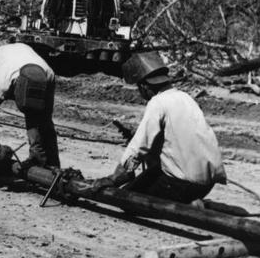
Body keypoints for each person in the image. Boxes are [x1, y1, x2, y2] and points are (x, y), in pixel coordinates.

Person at [88, 50, 225, 203]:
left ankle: (188, 206)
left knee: (126, 198)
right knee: (152, 176)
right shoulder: (185, 97)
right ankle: (190, 201)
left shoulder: (157, 103)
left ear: (144, 86)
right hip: (206, 184)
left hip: (183, 184)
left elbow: (139, 148)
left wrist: (115, 178)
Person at [0, 42, 59, 193]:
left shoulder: (49, 76)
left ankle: (40, 164)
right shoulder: (2, 80)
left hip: (23, 59)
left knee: (40, 119)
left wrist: (52, 165)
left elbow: (45, 123)